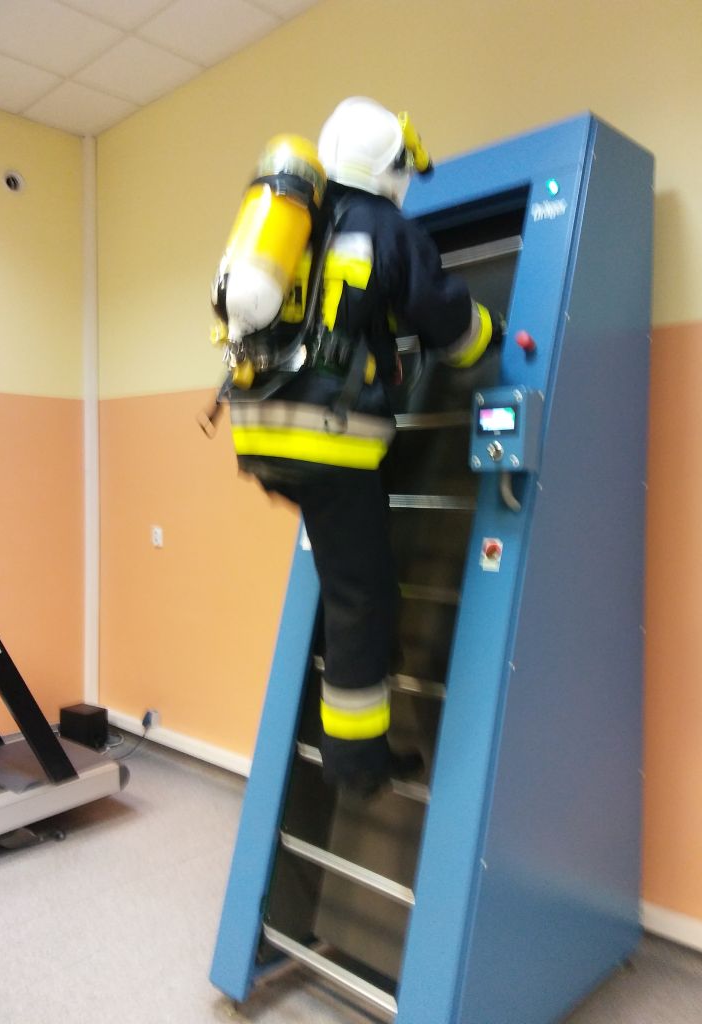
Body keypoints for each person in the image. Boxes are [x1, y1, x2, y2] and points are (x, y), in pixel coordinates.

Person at [223, 97, 502, 797]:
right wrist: (492, 334)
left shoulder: (306, 222)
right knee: (364, 596)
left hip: (261, 434)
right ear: (389, 168)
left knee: (352, 568)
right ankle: (358, 764)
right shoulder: (385, 227)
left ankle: (359, 693)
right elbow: (451, 327)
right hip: (327, 444)